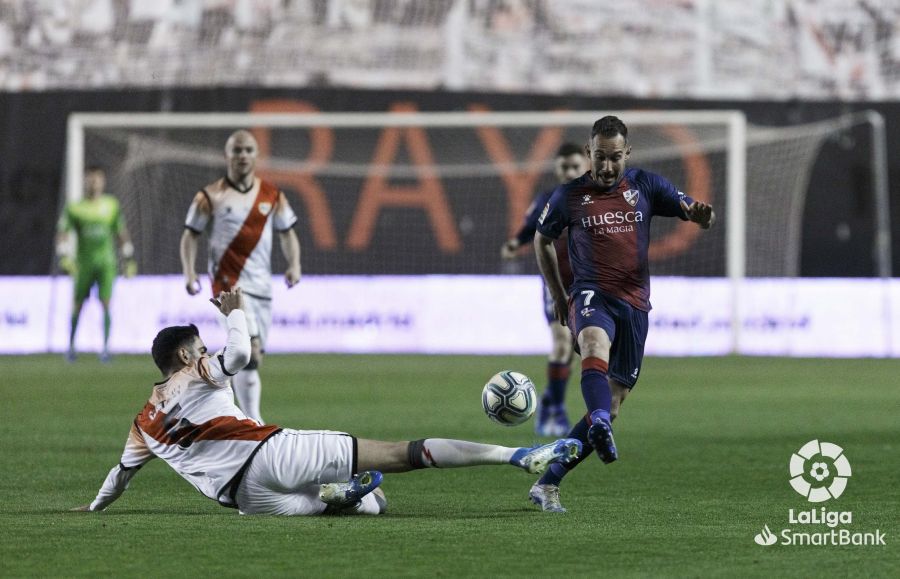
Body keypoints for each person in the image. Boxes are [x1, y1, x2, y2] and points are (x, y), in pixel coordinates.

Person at [72, 287, 581, 516]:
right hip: (270, 452)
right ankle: (516, 456)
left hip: (245, 501)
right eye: (198, 346)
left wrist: (93, 509)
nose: (203, 351)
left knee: (372, 505)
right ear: (185, 354)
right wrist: (234, 311)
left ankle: (339, 497)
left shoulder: (143, 420)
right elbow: (240, 353)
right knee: (401, 454)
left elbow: (119, 476)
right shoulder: (197, 370)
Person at [529, 116, 715, 512]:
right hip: (590, 294)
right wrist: (560, 296)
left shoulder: (646, 186)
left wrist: (702, 216)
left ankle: (548, 483)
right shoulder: (569, 196)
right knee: (593, 342)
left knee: (613, 404)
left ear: (627, 153)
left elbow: (692, 210)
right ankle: (597, 420)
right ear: (588, 153)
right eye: (600, 157)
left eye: (615, 158)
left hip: (634, 305)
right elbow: (541, 241)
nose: (608, 166)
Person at [180, 130, 302, 423]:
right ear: (227, 156)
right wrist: (189, 270)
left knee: (248, 356)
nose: (243, 156)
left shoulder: (272, 195)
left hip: (262, 287)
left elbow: (288, 233)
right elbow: (190, 235)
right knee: (251, 352)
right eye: (237, 150)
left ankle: (207, 403)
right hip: (228, 286)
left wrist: (294, 264)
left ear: (256, 155)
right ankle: (253, 421)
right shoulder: (210, 195)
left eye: (248, 150)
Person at [500, 143, 586, 437]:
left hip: (588, 283)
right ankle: (557, 409)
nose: (570, 172)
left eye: (576, 166)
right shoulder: (548, 199)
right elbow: (528, 230)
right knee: (563, 343)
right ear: (557, 169)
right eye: (565, 167)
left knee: (575, 349)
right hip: (557, 283)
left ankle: (550, 399)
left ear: (585, 166)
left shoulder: (596, 198)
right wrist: (515, 243)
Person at [56, 166, 136, 362]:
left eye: (97, 178)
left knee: (106, 304)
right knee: (77, 305)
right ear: (85, 180)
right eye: (90, 178)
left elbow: (121, 232)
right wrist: (64, 255)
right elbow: (63, 233)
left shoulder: (111, 205)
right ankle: (71, 347)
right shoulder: (75, 207)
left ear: (103, 181)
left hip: (106, 264)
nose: (94, 182)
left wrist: (128, 257)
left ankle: (106, 349)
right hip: (83, 264)